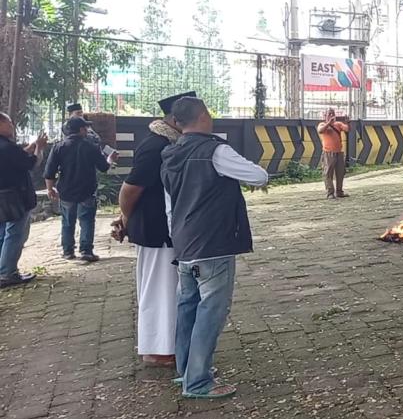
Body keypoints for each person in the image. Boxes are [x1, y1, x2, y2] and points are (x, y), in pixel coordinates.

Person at [161, 97, 268, 399]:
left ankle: (185, 372)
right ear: (205, 117)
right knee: (211, 309)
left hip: (183, 241)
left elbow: (169, 204)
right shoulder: (215, 150)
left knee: (188, 307)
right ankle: (197, 382)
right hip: (212, 243)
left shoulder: (169, 154)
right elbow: (259, 176)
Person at [112, 91, 195, 367]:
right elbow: (130, 189)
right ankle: (159, 349)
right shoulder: (156, 145)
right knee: (161, 288)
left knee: (170, 287)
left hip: (167, 226)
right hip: (156, 227)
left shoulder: (172, 142)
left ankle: (167, 344)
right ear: (176, 118)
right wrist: (125, 219)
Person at [44, 117, 118, 262]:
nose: (87, 130)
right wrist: (110, 159)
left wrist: (50, 189)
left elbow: (49, 171)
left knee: (67, 222)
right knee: (87, 221)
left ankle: (67, 251)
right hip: (87, 190)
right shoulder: (91, 146)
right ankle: (86, 251)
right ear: (80, 130)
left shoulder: (59, 146)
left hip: (66, 191)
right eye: (85, 128)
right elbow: (103, 167)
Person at [0, 113, 47, 289]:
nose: (12, 126)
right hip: (14, 197)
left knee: (3, 233)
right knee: (15, 234)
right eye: (9, 122)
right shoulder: (7, 147)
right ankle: (7, 272)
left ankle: (3, 269)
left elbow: (17, 156)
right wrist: (39, 148)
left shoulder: (5, 147)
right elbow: (31, 163)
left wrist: (33, 146)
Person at [316, 109, 350, 199]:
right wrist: (328, 124)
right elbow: (320, 131)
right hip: (328, 153)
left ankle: (339, 191)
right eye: (329, 114)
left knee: (340, 173)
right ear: (325, 116)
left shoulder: (338, 124)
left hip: (339, 152)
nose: (331, 116)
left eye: (333, 114)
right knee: (328, 173)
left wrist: (347, 122)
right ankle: (330, 192)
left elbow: (347, 129)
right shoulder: (322, 125)